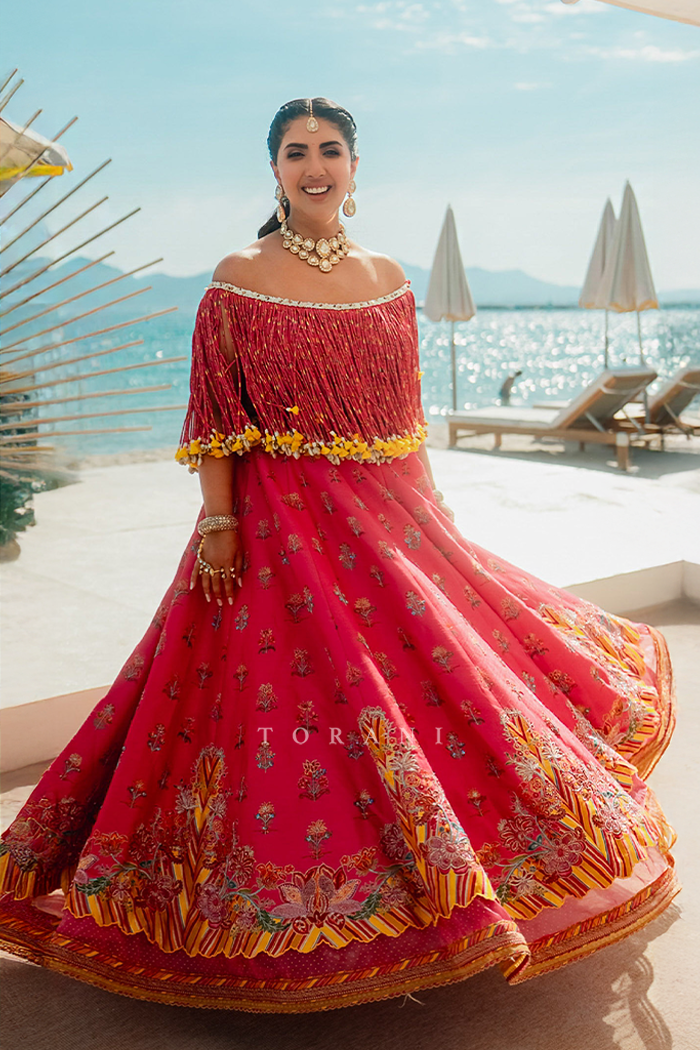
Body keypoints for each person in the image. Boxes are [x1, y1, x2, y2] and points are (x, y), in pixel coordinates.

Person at [0, 98, 678, 1013]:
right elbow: (216, 419)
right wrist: (218, 524)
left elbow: (404, 415)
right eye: (294, 152)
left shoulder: (390, 278)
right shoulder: (238, 276)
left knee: (439, 692)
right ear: (273, 171)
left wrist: (433, 514)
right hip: (276, 522)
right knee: (271, 704)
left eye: (329, 150)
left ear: (356, 167)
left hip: (387, 514)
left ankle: (438, 898)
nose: (313, 165)